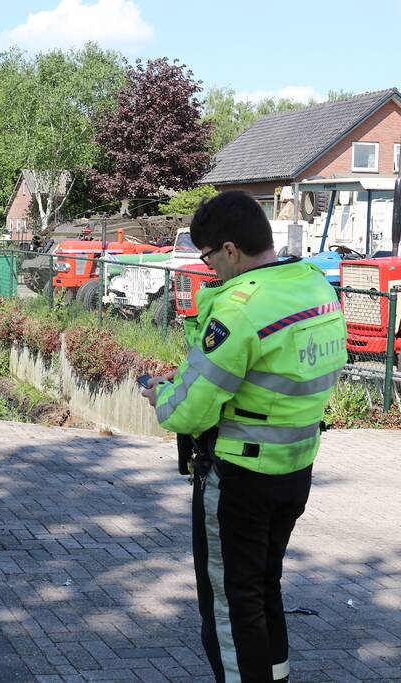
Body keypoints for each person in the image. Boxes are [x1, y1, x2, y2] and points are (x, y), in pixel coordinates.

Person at [140, 191, 347, 682]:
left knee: (232, 607)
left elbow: (187, 410)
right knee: (264, 589)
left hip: (240, 479)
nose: (209, 268)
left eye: (209, 257)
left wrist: (161, 393)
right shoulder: (314, 286)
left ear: (231, 250)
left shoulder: (240, 307)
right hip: (295, 468)